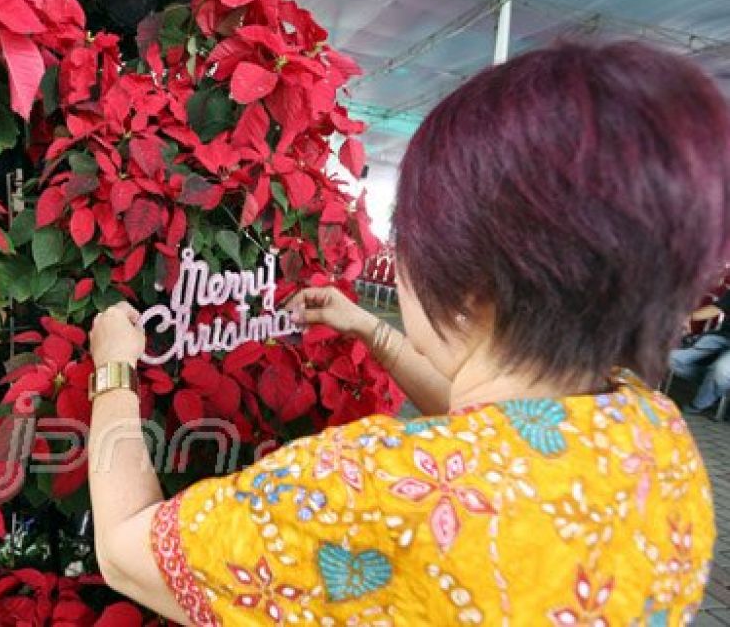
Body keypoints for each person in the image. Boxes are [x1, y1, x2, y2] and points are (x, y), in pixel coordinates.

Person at [85, 41, 729, 625]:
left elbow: (122, 551)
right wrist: (373, 330)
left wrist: (113, 369)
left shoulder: (367, 491)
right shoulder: (656, 438)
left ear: (472, 286)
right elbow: (513, 439)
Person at [669, 288, 730, 415]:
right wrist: (689, 317)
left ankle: (699, 404)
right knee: (670, 358)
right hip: (723, 337)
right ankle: (713, 384)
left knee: (722, 370)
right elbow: (717, 308)